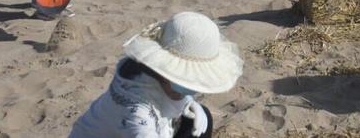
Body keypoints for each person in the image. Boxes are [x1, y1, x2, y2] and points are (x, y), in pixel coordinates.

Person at [69, 11, 244, 138]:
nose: (187, 88)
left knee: (198, 120)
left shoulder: (152, 76)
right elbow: (142, 127)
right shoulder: (136, 111)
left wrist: (188, 102)